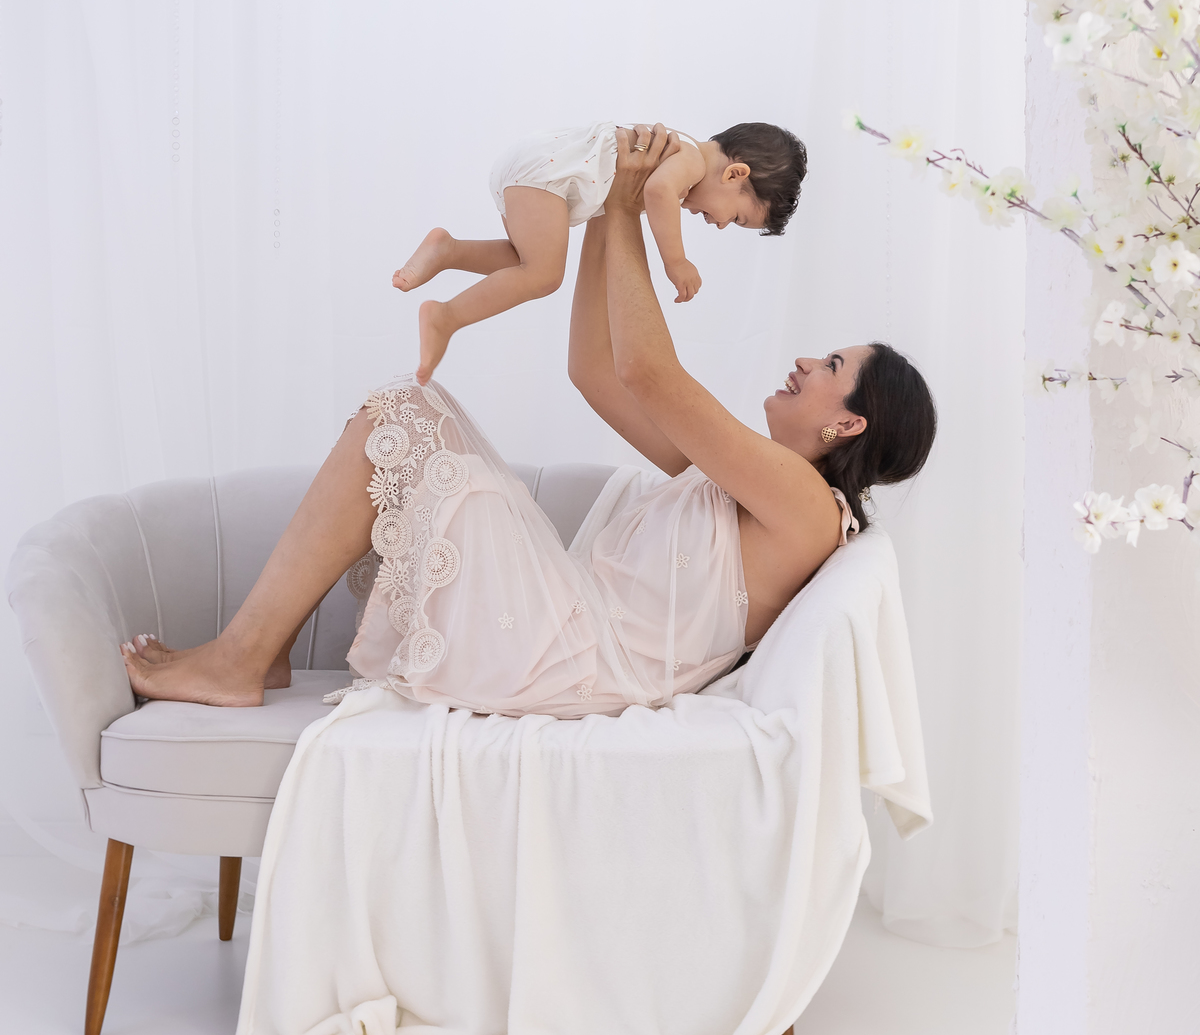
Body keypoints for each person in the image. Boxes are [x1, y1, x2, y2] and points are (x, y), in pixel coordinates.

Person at [119, 126, 935, 714]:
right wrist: (610, 205)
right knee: (406, 406)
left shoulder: (805, 506)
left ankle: (240, 659)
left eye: (833, 369)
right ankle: (250, 654)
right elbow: (597, 374)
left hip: (579, 660)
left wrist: (630, 203)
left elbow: (648, 373)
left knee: (403, 413)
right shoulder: (752, 482)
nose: (807, 362)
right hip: (569, 623)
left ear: (850, 426)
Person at [393, 119, 807, 382]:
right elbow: (659, 192)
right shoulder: (692, 159)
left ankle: (448, 250)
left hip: (533, 165)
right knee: (544, 276)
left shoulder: (679, 152)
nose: (719, 224)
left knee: (523, 264)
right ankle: (446, 316)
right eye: (736, 217)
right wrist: (676, 261)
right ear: (735, 174)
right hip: (544, 171)